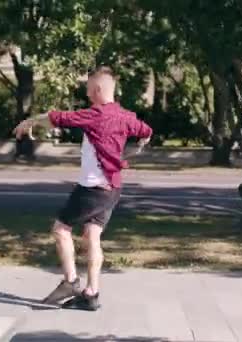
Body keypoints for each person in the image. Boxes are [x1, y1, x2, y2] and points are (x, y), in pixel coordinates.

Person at [12, 66, 153, 311]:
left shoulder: (96, 114)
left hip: (93, 189)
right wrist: (139, 144)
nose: (87, 95)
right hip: (112, 189)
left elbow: (59, 117)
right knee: (92, 235)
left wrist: (30, 121)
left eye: (88, 89)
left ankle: (71, 282)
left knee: (60, 230)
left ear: (98, 89)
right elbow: (146, 131)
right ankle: (91, 293)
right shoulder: (125, 115)